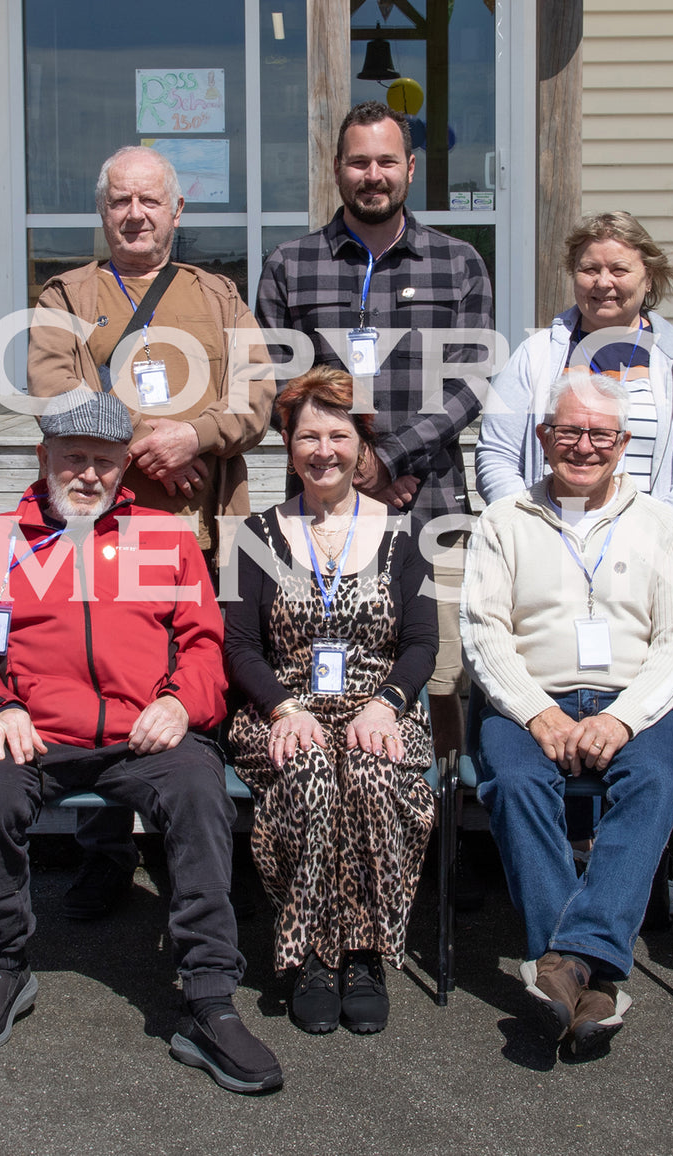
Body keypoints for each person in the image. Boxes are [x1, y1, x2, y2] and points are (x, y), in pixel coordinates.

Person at [0, 391, 282, 1095]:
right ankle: (1, 965)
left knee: (197, 794)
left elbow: (203, 644)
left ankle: (209, 997)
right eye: (74, 459)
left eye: (103, 462)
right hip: (34, 730)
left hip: (141, 732)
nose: (88, 475)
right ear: (43, 459)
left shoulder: (165, 537)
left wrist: (183, 702)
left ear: (125, 467)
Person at [28, 145, 275, 917]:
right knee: (102, 681)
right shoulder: (65, 295)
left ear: (176, 212)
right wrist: (151, 445)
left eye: (150, 201)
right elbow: (56, 392)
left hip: (204, 538)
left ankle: (198, 849)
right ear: (103, 212)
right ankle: (102, 852)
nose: (134, 215)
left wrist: (195, 437)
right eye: (119, 202)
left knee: (201, 685)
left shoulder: (219, 298)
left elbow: (258, 395)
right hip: (98, 540)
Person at [460, 373, 673, 1059]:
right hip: (525, 698)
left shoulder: (662, 526)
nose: (583, 446)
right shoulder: (504, 520)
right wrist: (537, 713)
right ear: (542, 437)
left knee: (657, 783)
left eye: (600, 434)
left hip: (632, 700)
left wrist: (623, 719)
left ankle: (565, 963)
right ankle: (584, 975)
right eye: (568, 431)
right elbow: (483, 632)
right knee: (512, 783)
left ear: (624, 442)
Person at [255, 100, 493, 760]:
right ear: (336, 170)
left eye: (386, 160)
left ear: (410, 168)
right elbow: (279, 383)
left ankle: (437, 824)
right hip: (320, 510)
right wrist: (357, 467)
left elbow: (471, 380)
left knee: (440, 675)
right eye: (358, 161)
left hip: (431, 504)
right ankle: (329, 808)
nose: (372, 174)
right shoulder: (288, 266)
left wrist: (390, 458)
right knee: (321, 662)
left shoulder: (459, 263)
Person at [223, 366, 437, 1036]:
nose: (323, 450)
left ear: (360, 446)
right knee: (312, 774)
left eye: (337, 435)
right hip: (282, 710)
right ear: (287, 445)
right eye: (307, 436)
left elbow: (421, 643)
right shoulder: (255, 535)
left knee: (372, 774)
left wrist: (387, 703)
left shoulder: (403, 532)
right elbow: (237, 646)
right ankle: (313, 954)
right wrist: (285, 709)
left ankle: (366, 951)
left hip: (380, 706)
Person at [475, 210, 673, 548]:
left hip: (652, 556)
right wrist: (535, 532)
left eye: (619, 269)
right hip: (548, 551)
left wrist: (653, 538)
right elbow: (497, 456)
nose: (603, 282)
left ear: (649, 278)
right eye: (589, 269)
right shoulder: (534, 356)